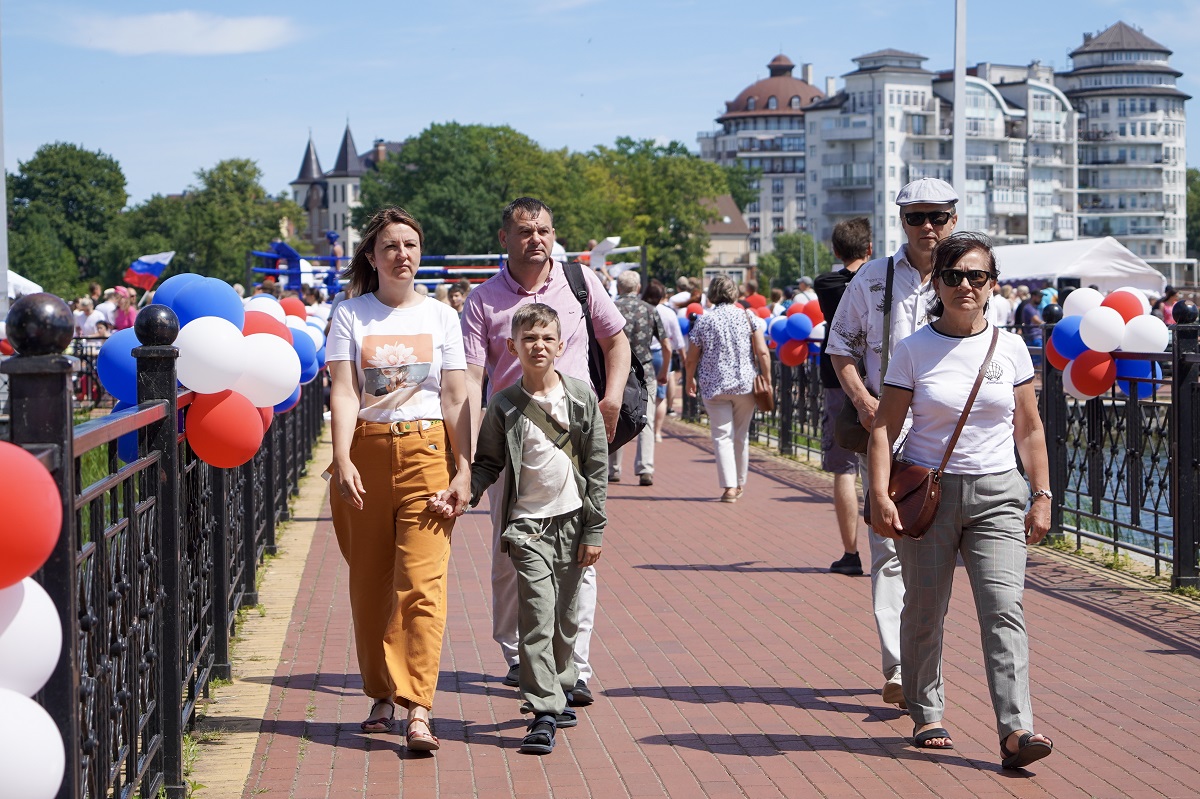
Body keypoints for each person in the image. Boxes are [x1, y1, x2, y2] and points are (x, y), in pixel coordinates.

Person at [867, 231, 1054, 769]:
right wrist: (879, 494)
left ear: (992, 284)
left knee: (1004, 609)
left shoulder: (1011, 347)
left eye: (977, 276)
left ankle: (1017, 730)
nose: (966, 285)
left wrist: (1040, 496)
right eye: (954, 276)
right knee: (925, 610)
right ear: (938, 283)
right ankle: (927, 712)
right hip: (930, 497)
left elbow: (1030, 430)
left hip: (998, 493)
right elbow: (884, 429)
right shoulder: (913, 350)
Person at [461, 196, 630, 704]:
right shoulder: (483, 300)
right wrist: (468, 450)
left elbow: (615, 340)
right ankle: (518, 655)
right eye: (525, 231)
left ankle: (573, 665)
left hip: (575, 435)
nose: (537, 239)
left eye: (545, 230)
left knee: (582, 552)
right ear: (504, 239)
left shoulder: (580, 282)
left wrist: (613, 397)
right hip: (512, 440)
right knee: (510, 553)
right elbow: (471, 377)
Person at [326, 206, 473, 751]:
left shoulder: (442, 318)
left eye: (411, 245)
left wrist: (465, 470)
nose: (402, 255)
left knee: (422, 586)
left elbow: (456, 396)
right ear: (372, 255)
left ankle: (417, 708)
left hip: (426, 451)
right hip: (364, 452)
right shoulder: (350, 315)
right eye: (391, 246)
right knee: (369, 588)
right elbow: (343, 390)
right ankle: (381, 692)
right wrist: (342, 458)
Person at [827, 176, 959, 709]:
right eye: (916, 217)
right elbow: (840, 346)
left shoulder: (969, 274)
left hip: (953, 439)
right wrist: (864, 403)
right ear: (900, 221)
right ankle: (901, 667)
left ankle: (924, 662)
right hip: (891, 434)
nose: (928, 227)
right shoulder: (874, 278)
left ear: (953, 217)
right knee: (888, 550)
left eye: (938, 217)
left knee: (940, 556)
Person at [469, 303, 607, 755]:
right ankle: (543, 710)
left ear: (561, 344)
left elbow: (597, 468)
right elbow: (487, 462)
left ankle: (562, 685)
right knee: (537, 616)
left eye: (547, 338)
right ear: (513, 347)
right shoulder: (504, 404)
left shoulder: (581, 398)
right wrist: (461, 495)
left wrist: (594, 531)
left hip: (572, 523)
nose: (539, 346)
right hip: (527, 527)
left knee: (567, 620)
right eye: (529, 339)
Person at [814, 217, 872, 576]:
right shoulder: (881, 280)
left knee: (844, 468)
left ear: (835, 250)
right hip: (880, 376)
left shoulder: (826, 284)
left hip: (837, 379)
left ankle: (850, 553)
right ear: (869, 249)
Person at [684, 275, 771, 503]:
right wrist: (768, 378)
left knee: (722, 436)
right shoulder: (748, 316)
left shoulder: (704, 320)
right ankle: (740, 482)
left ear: (712, 294)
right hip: (745, 384)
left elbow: (691, 357)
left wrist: (689, 380)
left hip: (714, 385)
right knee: (741, 436)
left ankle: (729, 487)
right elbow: (762, 351)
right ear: (734, 293)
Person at [608, 271, 667, 486]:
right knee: (647, 419)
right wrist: (665, 370)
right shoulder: (649, 310)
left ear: (620, 287)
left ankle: (613, 468)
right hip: (645, 371)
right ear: (638, 287)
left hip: (614, 370)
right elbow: (666, 344)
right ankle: (645, 468)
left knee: (615, 414)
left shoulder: (609, 308)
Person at [645, 279, 685, 442]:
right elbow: (678, 340)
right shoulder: (668, 313)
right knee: (660, 396)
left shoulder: (644, 309)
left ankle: (645, 430)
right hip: (662, 354)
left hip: (644, 354)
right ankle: (657, 432)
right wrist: (683, 358)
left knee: (644, 394)